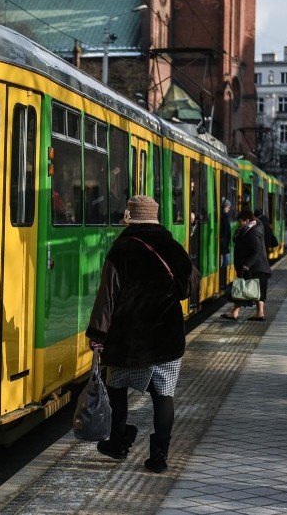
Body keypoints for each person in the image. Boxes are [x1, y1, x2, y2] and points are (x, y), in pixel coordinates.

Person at [86, 195, 195, 474]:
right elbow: (190, 286)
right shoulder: (173, 247)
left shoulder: (121, 249)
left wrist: (98, 333)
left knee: (117, 390)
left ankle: (119, 443)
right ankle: (158, 458)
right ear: (156, 217)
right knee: (163, 397)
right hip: (166, 340)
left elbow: (107, 297)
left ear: (130, 217)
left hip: (128, 341)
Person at [221, 207, 271, 321]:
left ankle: (235, 313)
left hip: (254, 267)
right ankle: (259, 314)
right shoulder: (252, 228)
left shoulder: (251, 232)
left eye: (240, 221)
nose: (239, 224)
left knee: (243, 289)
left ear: (247, 220)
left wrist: (247, 264)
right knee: (258, 291)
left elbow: (256, 249)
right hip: (259, 267)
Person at [219, 199, 232, 269]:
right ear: (225, 207)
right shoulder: (223, 216)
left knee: (225, 261)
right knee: (226, 261)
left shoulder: (225, 216)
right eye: (228, 207)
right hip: (223, 243)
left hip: (224, 243)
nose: (229, 209)